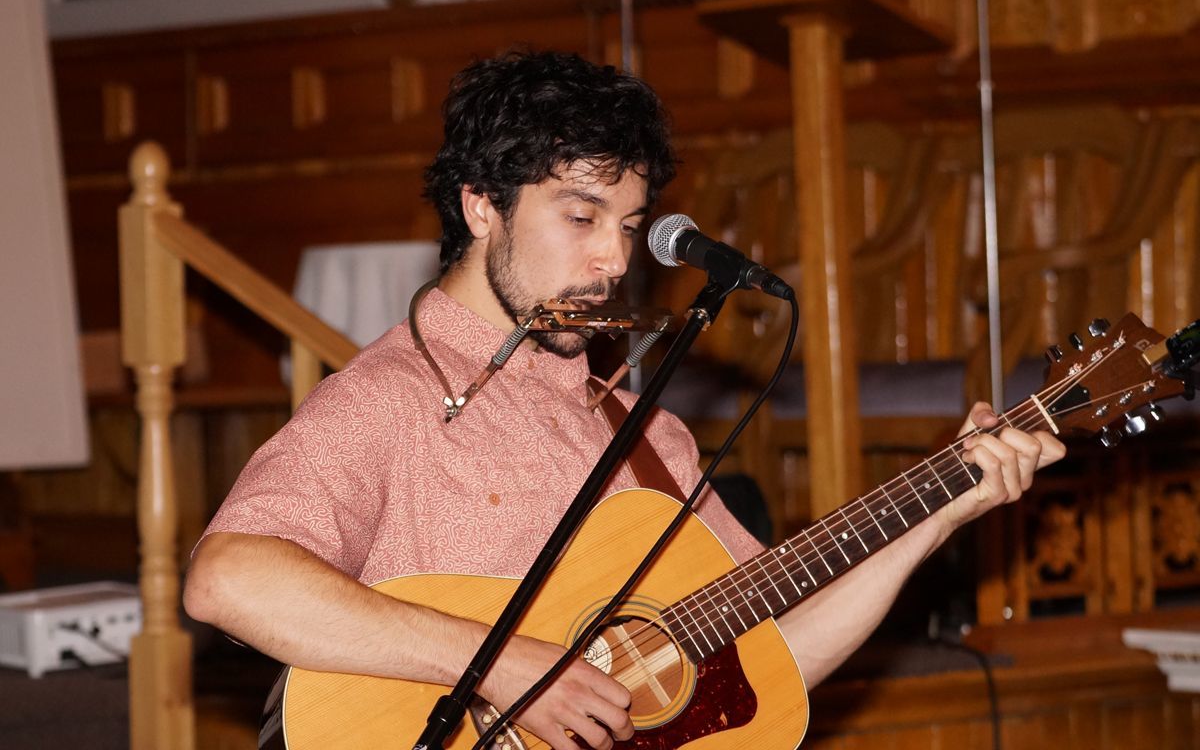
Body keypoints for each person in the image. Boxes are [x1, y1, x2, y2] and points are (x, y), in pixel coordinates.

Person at [183, 50, 1065, 750]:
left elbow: (775, 653)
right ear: (481, 205)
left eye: (631, 227)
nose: (614, 261)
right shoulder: (392, 399)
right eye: (580, 217)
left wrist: (936, 516)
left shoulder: (648, 438)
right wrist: (505, 667)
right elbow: (229, 580)